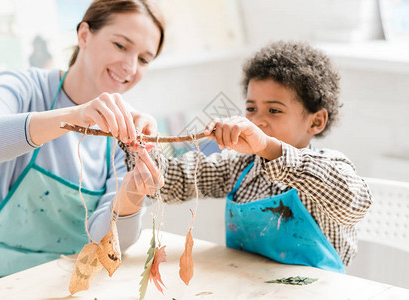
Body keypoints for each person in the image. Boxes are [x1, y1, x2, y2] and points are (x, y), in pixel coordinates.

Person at [0, 0, 165, 291]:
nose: (130, 67)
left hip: (71, 285)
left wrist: (132, 193)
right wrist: (74, 115)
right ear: (83, 35)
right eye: (121, 45)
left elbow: (103, 238)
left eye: (144, 59)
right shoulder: (25, 87)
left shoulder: (127, 129)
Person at [121, 41, 372, 273]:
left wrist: (268, 147)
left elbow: (355, 203)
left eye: (274, 110)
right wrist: (139, 144)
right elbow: (167, 184)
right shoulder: (240, 165)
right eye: (251, 108)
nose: (257, 120)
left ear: (316, 121)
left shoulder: (327, 166)